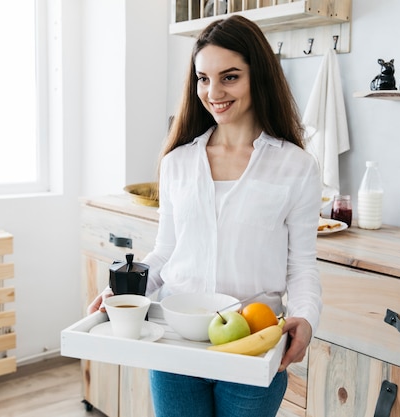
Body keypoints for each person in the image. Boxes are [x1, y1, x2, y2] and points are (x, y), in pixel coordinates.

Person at [88, 14, 322, 417]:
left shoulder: (296, 166)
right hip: (175, 340)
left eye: (229, 77)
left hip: (252, 341)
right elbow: (166, 252)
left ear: (257, 76)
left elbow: (301, 266)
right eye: (203, 78)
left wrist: (305, 317)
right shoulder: (178, 162)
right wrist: (127, 292)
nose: (213, 92)